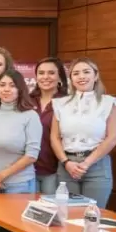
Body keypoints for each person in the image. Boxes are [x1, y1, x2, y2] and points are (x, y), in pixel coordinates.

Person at [51, 57, 116, 208]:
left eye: (86, 72)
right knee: (67, 215)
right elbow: (54, 137)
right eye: (76, 73)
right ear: (71, 78)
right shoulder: (60, 104)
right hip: (67, 168)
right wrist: (66, 162)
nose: (81, 76)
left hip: (96, 167)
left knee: (92, 216)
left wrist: (86, 163)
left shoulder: (109, 103)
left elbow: (113, 138)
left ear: (95, 76)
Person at [0, 69, 41, 194]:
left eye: (12, 86)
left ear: (20, 89)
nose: (6, 89)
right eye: (2, 85)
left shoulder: (30, 116)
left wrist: (1, 176)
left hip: (19, 184)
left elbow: (31, 155)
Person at [31, 57, 68, 195]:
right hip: (27, 170)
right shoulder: (26, 101)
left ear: (60, 77)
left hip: (55, 171)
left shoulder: (67, 102)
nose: (45, 77)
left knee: (52, 211)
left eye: (51, 73)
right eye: (41, 73)